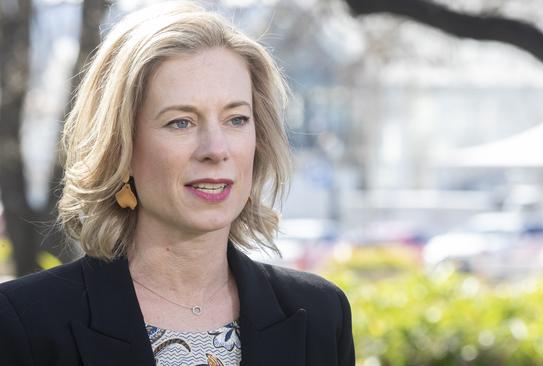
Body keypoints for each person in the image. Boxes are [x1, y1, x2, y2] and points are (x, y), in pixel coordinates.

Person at [0, 1, 354, 365]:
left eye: (236, 119)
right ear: (121, 145)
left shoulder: (320, 316)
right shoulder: (23, 323)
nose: (216, 150)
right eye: (180, 122)